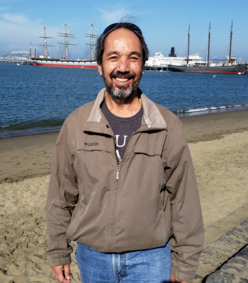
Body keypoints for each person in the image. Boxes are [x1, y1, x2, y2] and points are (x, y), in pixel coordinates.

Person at [46, 22, 204, 283]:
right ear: (99, 66)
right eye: (113, 57)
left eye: (133, 57)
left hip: (152, 261)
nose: (123, 67)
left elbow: (184, 202)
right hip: (92, 258)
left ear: (143, 64)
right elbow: (61, 196)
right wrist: (58, 251)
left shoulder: (166, 126)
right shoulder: (76, 124)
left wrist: (185, 266)